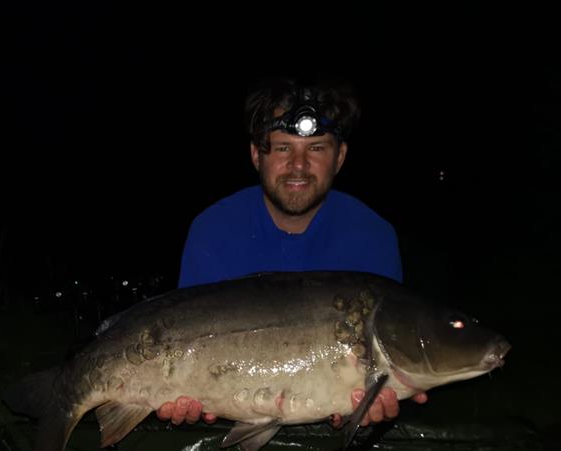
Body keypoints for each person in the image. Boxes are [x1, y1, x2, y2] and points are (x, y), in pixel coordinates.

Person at [157, 76, 428, 427]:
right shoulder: (212, 230)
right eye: (283, 148)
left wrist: (364, 415)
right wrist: (180, 401)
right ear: (257, 155)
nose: (298, 166)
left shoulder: (373, 236)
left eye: (316, 148)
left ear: (340, 157)